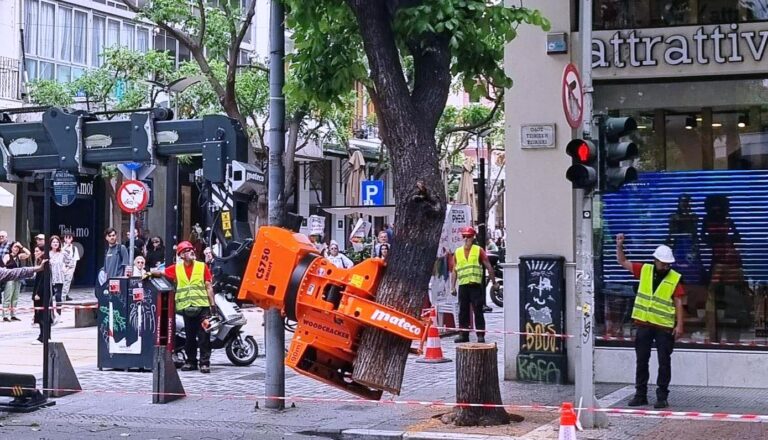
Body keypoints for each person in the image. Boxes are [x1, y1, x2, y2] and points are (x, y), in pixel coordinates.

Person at [616, 233, 685, 409]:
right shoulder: (645, 270)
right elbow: (623, 262)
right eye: (663, 263)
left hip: (664, 326)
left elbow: (678, 302)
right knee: (641, 360)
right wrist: (619, 246)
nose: (666, 266)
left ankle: (662, 396)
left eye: (668, 263)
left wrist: (680, 325)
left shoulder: (674, 277)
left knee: (664, 362)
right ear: (655, 260)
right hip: (644, 324)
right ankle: (640, 395)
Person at [152, 241, 216, 373]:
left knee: (204, 335)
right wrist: (149, 273)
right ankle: (191, 361)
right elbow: (162, 273)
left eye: (191, 250)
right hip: (187, 308)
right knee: (190, 336)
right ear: (181, 255)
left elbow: (208, 286)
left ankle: (204, 363)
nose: (191, 252)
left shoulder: (201, 266)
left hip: (202, 307)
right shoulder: (177, 268)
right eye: (187, 251)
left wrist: (212, 305)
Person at [451, 226, 498, 343]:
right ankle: (463, 334)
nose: (466, 239)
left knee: (478, 310)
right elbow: (454, 270)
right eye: (464, 236)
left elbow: (488, 266)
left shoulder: (478, 250)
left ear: (473, 237)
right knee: (463, 311)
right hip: (463, 286)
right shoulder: (458, 252)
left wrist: (494, 282)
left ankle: (480, 335)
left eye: (469, 236)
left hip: (475, 286)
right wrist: (452, 286)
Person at [2, 241, 30, 321]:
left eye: (17, 247)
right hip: (9, 279)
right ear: (11, 248)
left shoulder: (19, 256)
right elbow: (3, 267)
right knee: (8, 296)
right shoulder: (7, 256)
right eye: (15, 247)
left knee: (15, 297)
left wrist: (21, 246)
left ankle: (13, 314)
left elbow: (28, 254)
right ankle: (5, 315)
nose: (16, 249)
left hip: (18, 279)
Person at [48, 235, 72, 322]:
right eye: (53, 242)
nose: (55, 244)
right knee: (49, 297)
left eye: (57, 242)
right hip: (50, 278)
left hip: (59, 278)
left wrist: (65, 269)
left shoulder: (62, 253)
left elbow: (71, 262)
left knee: (58, 297)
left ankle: (59, 315)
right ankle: (50, 315)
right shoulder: (48, 253)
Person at [30, 246, 51, 342]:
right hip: (39, 292)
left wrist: (38, 293)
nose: (35, 253)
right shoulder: (39, 263)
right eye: (35, 251)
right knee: (39, 315)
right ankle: (42, 335)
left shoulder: (44, 264)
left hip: (42, 294)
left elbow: (43, 280)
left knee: (42, 315)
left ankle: (44, 336)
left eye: (37, 251)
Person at [61, 232, 80, 301]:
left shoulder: (74, 248)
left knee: (67, 282)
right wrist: (66, 245)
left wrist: (71, 269)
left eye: (69, 237)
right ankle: (60, 295)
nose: (67, 239)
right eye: (66, 237)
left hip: (70, 268)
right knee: (60, 282)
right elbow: (60, 253)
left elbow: (75, 260)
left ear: (72, 238)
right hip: (61, 267)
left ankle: (65, 295)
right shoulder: (61, 247)